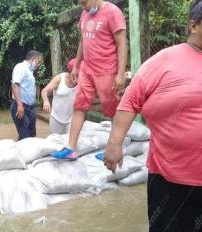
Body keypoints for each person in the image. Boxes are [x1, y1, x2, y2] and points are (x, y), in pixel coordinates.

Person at [104, 1, 202, 232]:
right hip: (171, 183)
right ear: (193, 26)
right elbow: (130, 101)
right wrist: (114, 144)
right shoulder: (164, 61)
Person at [51, 0, 127, 160]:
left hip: (106, 69)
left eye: (84, 3)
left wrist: (120, 74)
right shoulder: (85, 14)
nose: (83, 7)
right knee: (79, 105)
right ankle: (71, 148)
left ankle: (114, 149)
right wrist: (76, 66)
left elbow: (122, 44)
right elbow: (82, 41)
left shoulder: (113, 12)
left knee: (112, 110)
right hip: (87, 69)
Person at [11, 50, 43, 140]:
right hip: (21, 107)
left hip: (30, 108)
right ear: (33, 59)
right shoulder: (20, 67)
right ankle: (21, 153)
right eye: (39, 61)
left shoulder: (29, 71)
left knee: (32, 135)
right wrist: (20, 105)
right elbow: (15, 85)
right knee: (25, 136)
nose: (39, 64)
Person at [41, 58, 78, 134]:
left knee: (69, 142)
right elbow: (45, 91)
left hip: (71, 118)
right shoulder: (60, 78)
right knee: (56, 141)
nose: (77, 77)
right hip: (56, 118)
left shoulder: (82, 81)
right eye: (76, 74)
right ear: (70, 71)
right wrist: (46, 101)